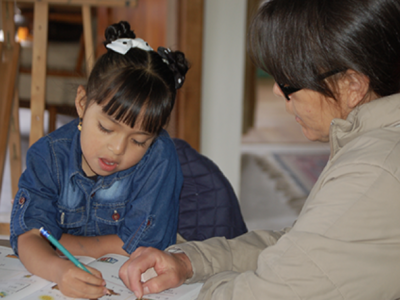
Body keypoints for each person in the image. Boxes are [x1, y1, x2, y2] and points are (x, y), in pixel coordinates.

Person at [118, 0, 400, 299]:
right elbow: (298, 248)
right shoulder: (371, 148)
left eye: (289, 80)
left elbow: (272, 291)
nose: (279, 90)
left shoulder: (372, 174)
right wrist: (189, 262)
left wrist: (201, 289)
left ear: (351, 85)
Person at [9, 21, 189, 299]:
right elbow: (29, 237)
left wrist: (59, 243)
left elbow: (141, 247)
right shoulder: (48, 156)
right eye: (106, 128)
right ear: (82, 103)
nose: (117, 148)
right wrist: (59, 270)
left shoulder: (159, 157)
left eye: (139, 140)